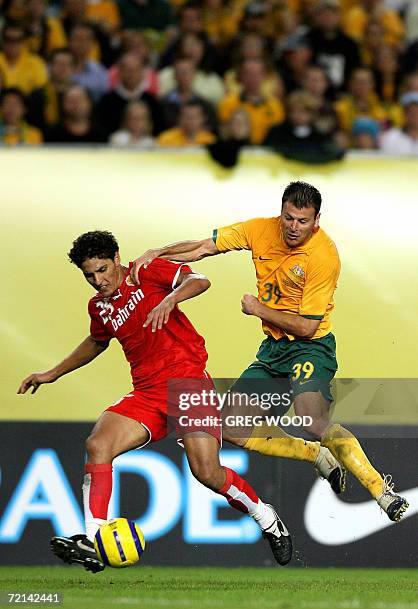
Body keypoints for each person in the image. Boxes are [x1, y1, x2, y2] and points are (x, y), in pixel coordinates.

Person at [130, 180, 408, 523]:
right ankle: (318, 457)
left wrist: (259, 309)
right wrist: (156, 253)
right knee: (231, 426)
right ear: (281, 213)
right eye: (289, 218)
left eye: (302, 221)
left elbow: (307, 327)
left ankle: (382, 491)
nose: (293, 227)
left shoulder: (323, 256)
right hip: (274, 350)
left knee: (312, 419)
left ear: (317, 219)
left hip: (311, 347)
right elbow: (202, 247)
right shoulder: (260, 230)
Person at [17, 230, 292, 572]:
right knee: (98, 444)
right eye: (89, 275)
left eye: (102, 269)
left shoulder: (144, 271)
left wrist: (170, 299)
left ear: (117, 257)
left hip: (188, 381)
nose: (97, 280)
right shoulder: (99, 306)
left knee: (206, 472)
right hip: (147, 393)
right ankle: (94, 539)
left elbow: (200, 280)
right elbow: (97, 341)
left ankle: (266, 517)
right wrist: (52, 373)